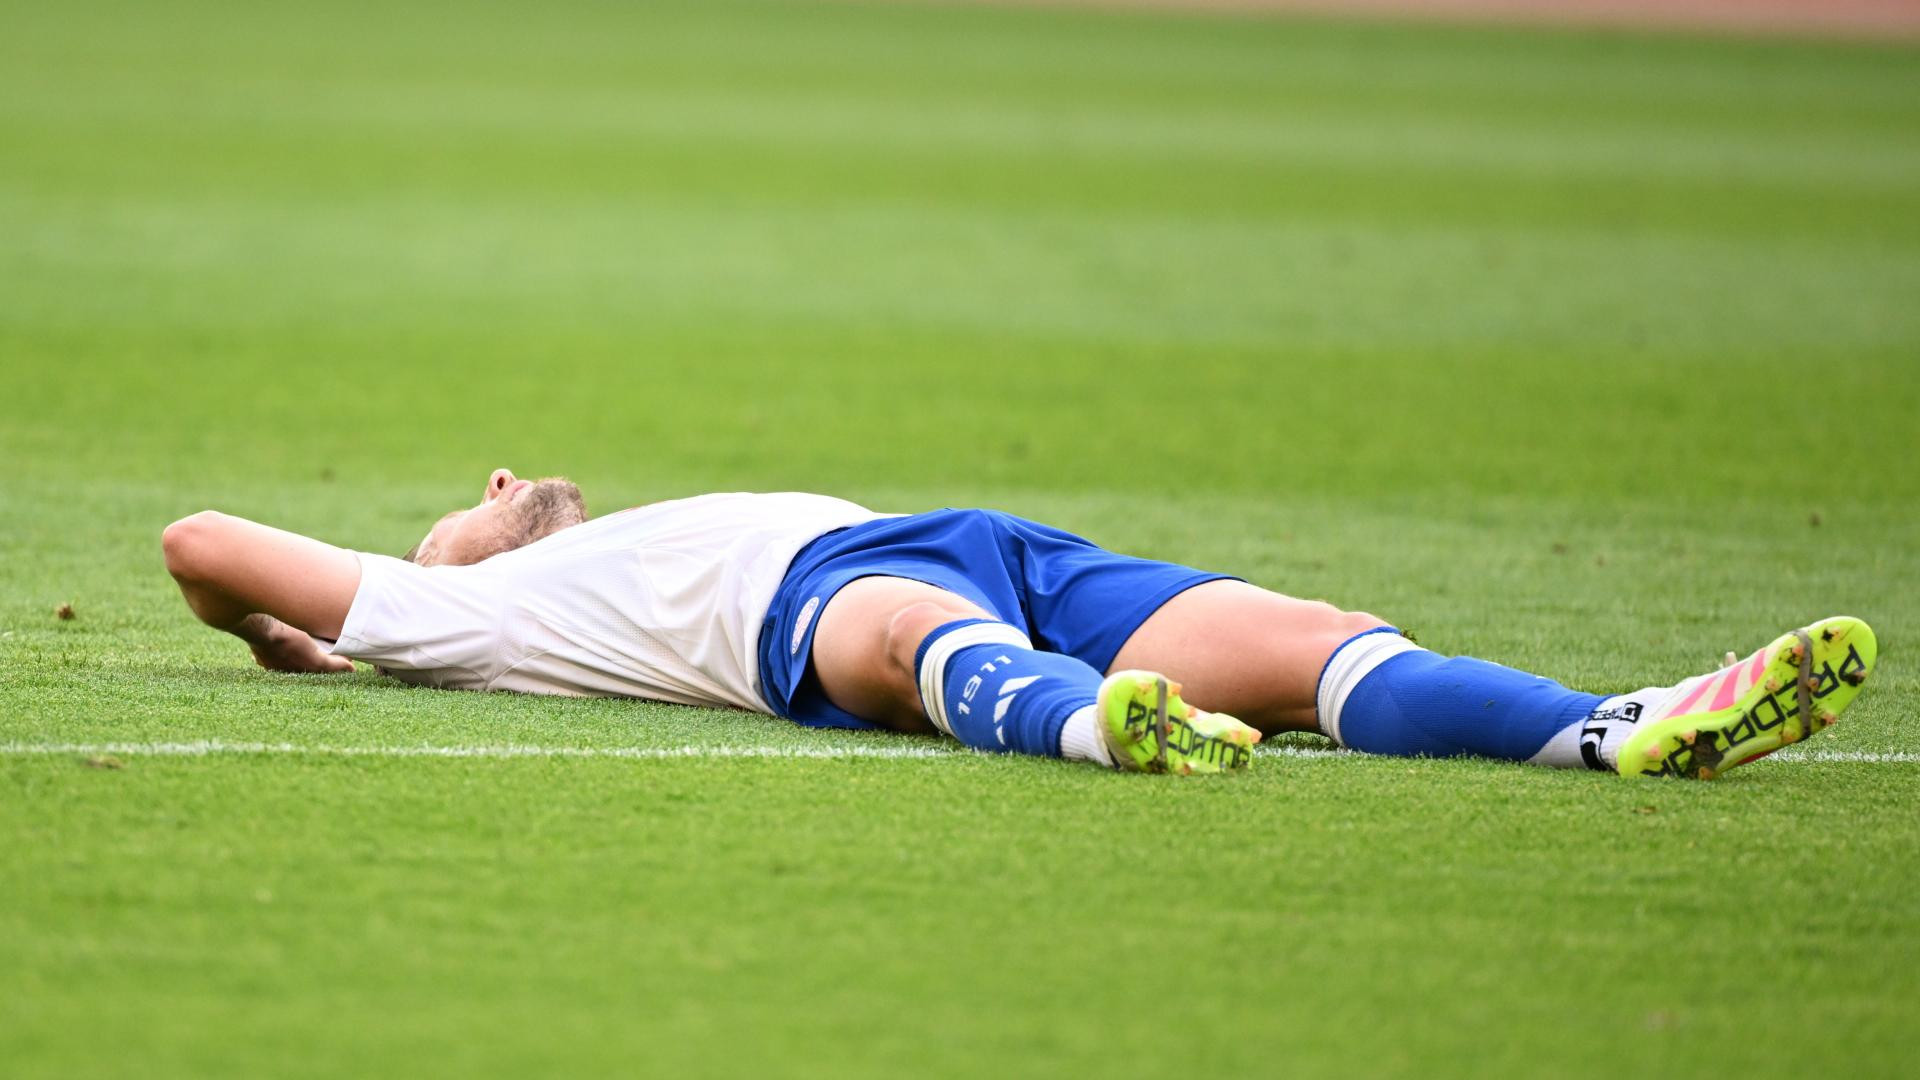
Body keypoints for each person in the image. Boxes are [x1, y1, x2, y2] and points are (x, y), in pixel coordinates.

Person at [160, 469, 1877, 779]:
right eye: (461, 504)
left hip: (982, 545)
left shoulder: (522, 563)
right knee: (909, 639)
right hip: (810, 615)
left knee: (1310, 637)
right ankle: (1090, 728)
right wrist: (293, 638)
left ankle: (1612, 725)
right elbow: (203, 542)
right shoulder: (456, 615)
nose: (499, 482)